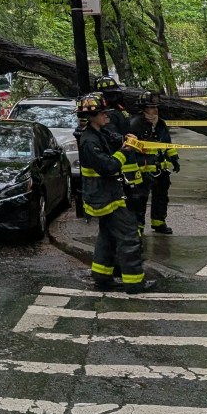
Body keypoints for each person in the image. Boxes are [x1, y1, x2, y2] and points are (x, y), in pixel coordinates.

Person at [75, 92, 153, 293]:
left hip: (107, 194)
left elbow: (115, 138)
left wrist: (129, 140)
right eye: (103, 112)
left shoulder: (99, 132)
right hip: (105, 197)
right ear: (92, 116)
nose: (107, 115)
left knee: (108, 238)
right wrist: (125, 151)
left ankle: (102, 277)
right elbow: (108, 166)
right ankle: (135, 283)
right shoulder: (89, 141)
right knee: (129, 235)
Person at [126, 90, 179, 235]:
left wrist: (174, 158)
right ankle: (139, 227)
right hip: (143, 169)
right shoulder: (135, 124)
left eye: (156, 107)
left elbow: (167, 143)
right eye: (151, 107)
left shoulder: (160, 123)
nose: (155, 110)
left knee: (161, 197)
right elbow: (130, 149)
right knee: (140, 199)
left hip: (161, 168)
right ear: (143, 108)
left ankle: (159, 222)